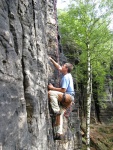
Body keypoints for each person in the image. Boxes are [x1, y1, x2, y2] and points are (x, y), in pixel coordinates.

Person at [48, 57, 75, 140]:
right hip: (68, 99)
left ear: (66, 68)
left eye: (63, 66)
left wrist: (52, 88)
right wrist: (51, 59)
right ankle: (58, 133)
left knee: (51, 93)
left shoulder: (66, 77)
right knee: (61, 114)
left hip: (68, 97)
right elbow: (59, 67)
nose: (61, 67)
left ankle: (56, 111)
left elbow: (63, 90)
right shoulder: (67, 74)